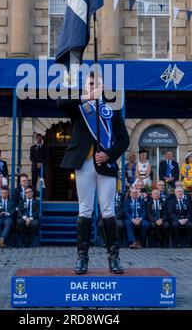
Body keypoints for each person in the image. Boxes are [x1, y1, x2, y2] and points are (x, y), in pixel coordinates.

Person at [57, 72, 129, 274]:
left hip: (104, 165)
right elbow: (61, 104)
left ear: (103, 86)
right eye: (90, 83)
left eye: (97, 83)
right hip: (83, 164)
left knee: (108, 210)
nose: (93, 85)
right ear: (85, 86)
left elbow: (124, 141)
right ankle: (82, 258)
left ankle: (114, 258)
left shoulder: (112, 110)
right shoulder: (79, 108)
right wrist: (84, 97)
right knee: (85, 209)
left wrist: (108, 154)